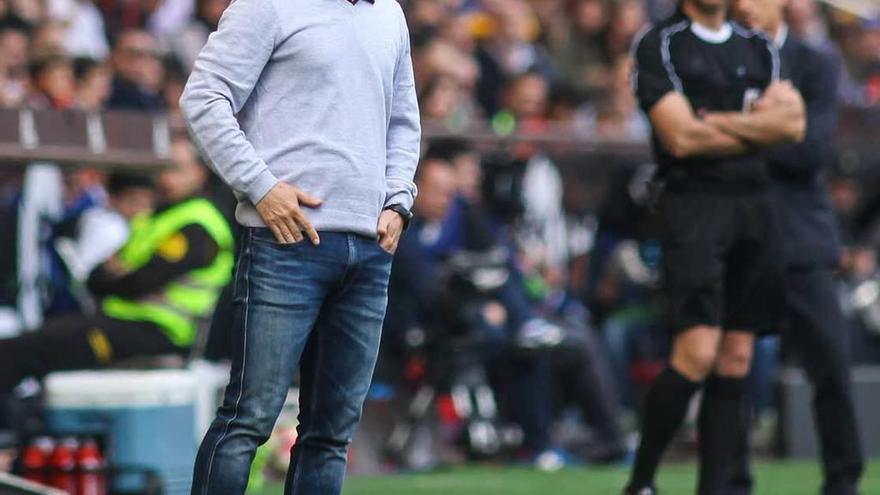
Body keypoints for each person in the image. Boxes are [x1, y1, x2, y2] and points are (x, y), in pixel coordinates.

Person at [179, 0, 420, 493]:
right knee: (248, 419)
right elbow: (203, 97)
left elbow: (403, 121)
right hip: (283, 244)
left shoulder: (389, 13)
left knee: (331, 434)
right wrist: (260, 186)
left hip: (370, 251)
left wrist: (398, 201)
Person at [623, 0, 807, 492]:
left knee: (737, 357)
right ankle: (642, 480)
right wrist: (751, 129)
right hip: (694, 205)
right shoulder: (661, 44)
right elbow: (679, 138)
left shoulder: (757, 45)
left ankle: (717, 486)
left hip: (754, 205)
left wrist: (713, 123)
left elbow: (792, 125)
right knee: (696, 350)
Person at [726, 0, 865, 493]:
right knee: (730, 373)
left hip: (801, 240)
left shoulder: (815, 62)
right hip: (736, 238)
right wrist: (771, 124)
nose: (742, 5)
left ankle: (843, 481)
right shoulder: (712, 60)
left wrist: (733, 130)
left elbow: (811, 151)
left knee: (830, 367)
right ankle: (729, 482)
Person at [0, 136, 234, 391]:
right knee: (29, 344)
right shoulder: (158, 218)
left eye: (176, 168)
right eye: (161, 167)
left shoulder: (197, 224)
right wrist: (118, 277)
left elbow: (139, 281)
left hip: (158, 333)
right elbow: (96, 278)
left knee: (28, 348)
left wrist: (119, 276)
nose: (165, 177)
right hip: (122, 322)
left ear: (199, 173)